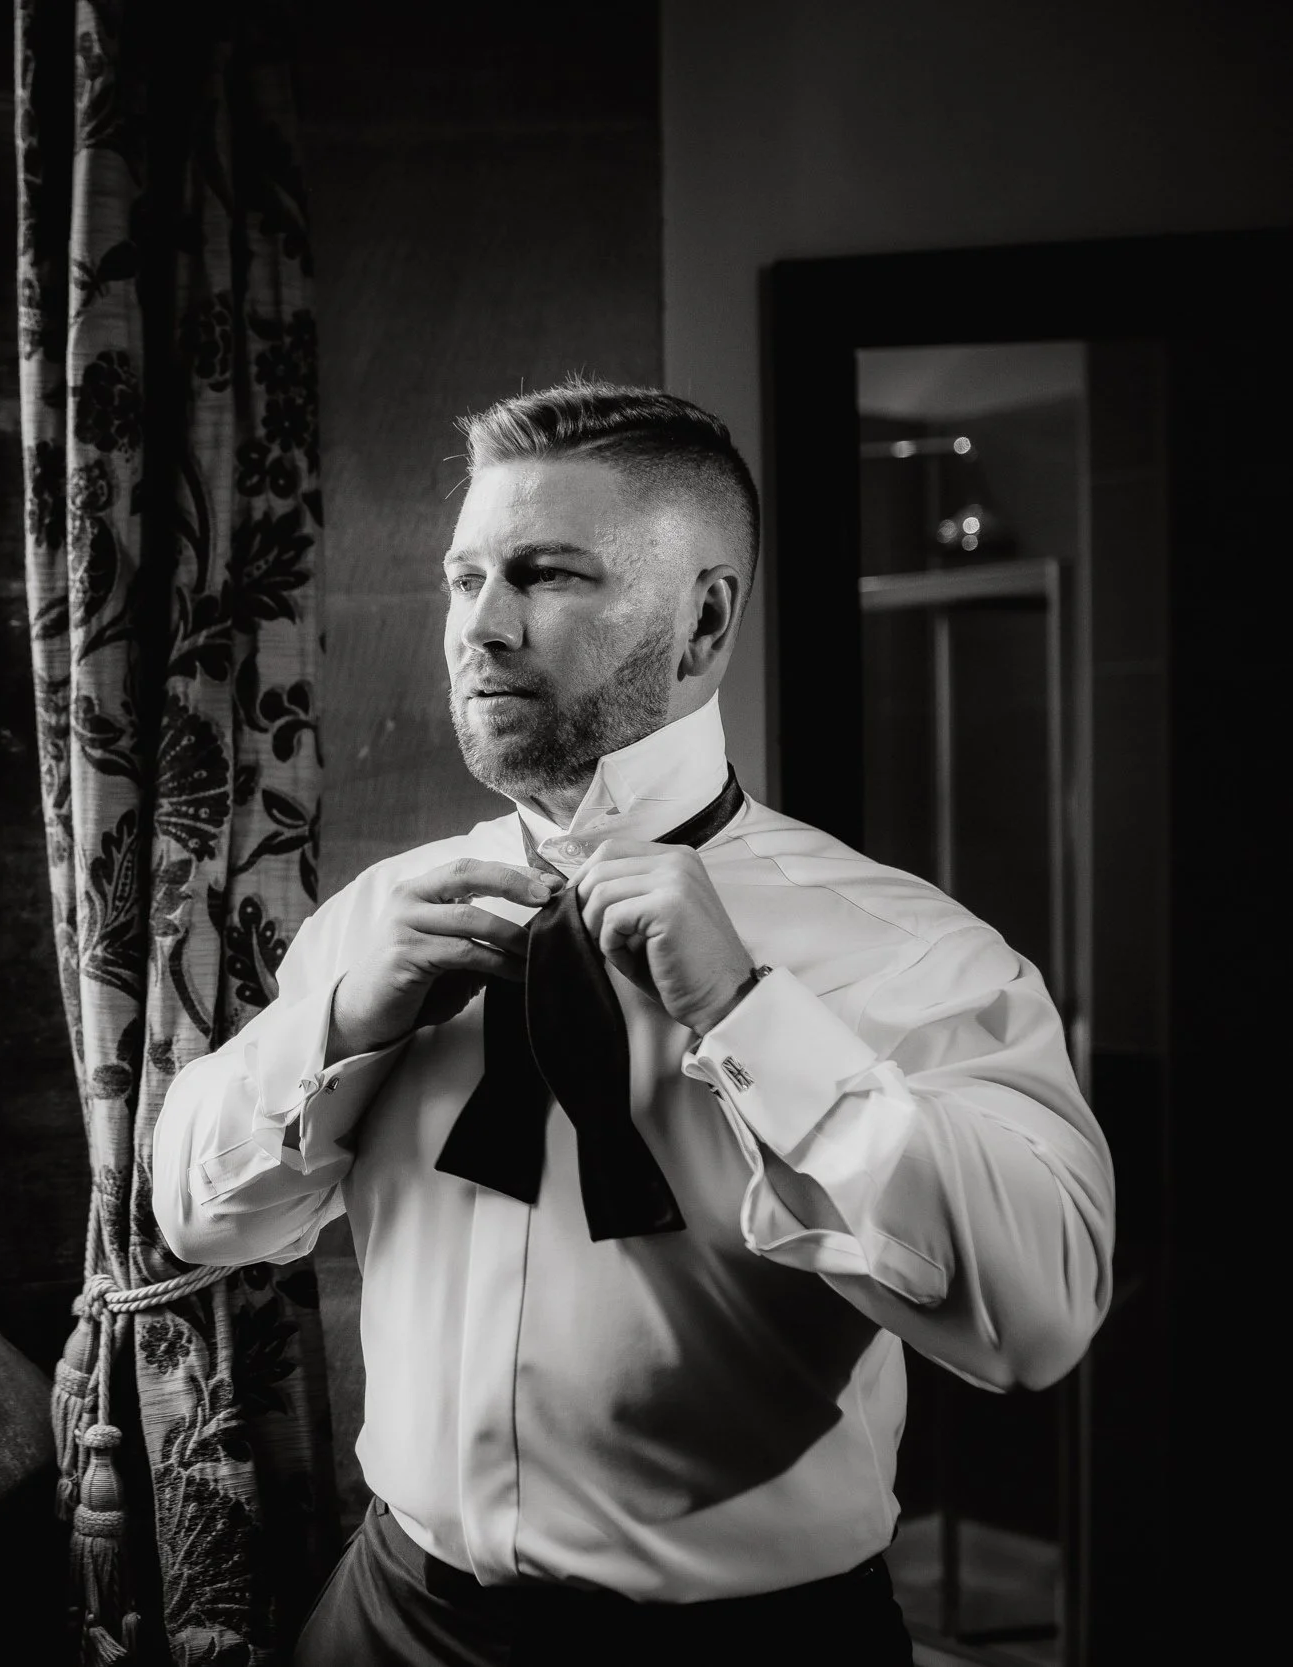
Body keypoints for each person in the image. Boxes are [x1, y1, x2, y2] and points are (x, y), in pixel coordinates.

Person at [151, 380, 1113, 1665]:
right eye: (463, 577)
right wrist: (337, 1021)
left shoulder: (908, 951)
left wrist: (749, 1014)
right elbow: (200, 1215)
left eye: (544, 574)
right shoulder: (384, 918)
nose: (480, 629)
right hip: (390, 1618)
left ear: (702, 620)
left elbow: (1037, 1320)